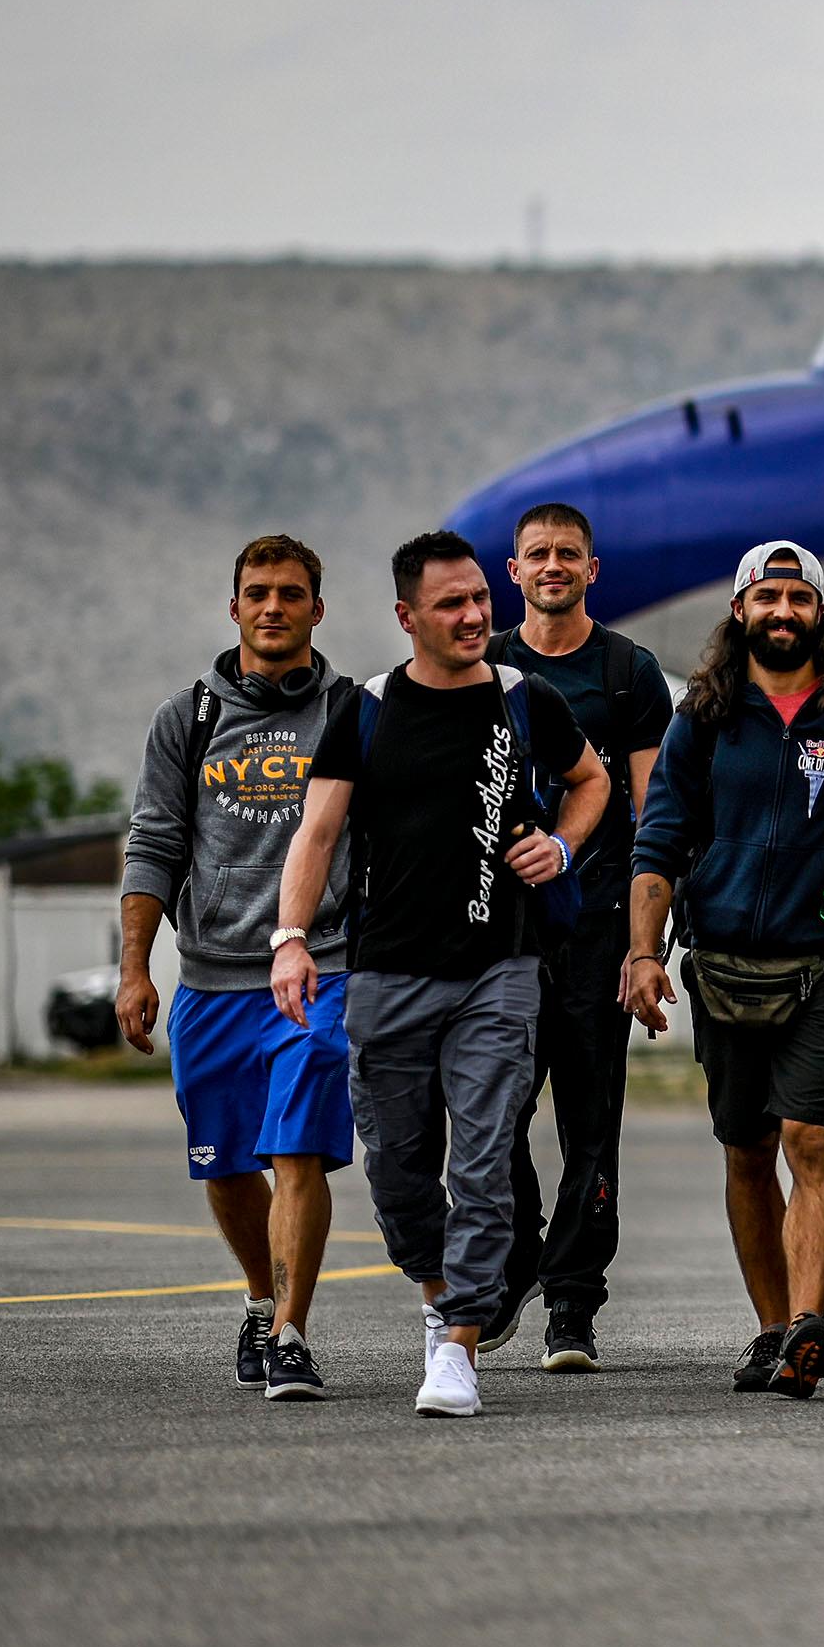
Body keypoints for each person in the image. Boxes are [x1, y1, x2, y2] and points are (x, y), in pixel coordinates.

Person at [272, 530, 608, 1419]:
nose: (472, 616)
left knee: (489, 1156)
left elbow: (592, 780)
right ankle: (434, 1294)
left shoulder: (523, 699)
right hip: (386, 973)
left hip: (500, 967)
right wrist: (291, 936)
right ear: (406, 616)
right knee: (398, 1169)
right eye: (450, 604)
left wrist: (562, 844)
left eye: (477, 599)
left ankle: (459, 1339)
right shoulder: (368, 709)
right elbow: (317, 833)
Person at [624, 541, 824, 1402]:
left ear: (819, 613)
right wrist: (643, 954)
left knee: (811, 1139)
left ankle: (804, 1328)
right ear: (741, 610)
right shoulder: (703, 717)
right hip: (720, 968)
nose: (783, 611)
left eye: (798, 597)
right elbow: (658, 843)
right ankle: (770, 1326)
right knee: (748, 1151)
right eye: (768, 597)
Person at [119, 534, 358, 1401]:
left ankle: (292, 1333)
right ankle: (261, 1301)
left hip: (321, 968)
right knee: (225, 1163)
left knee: (295, 1147)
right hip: (213, 978)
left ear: (315, 610)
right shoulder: (188, 718)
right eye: (257, 592)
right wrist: (135, 969)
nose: (273, 607)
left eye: (291, 594)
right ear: (234, 607)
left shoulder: (352, 710)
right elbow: (153, 845)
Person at [495, 501, 672, 1375]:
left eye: (569, 553)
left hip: (597, 930)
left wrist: (647, 945)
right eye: (539, 554)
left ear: (592, 571)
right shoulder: (486, 663)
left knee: (590, 1128)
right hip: (501, 937)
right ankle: (521, 1250)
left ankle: (572, 1304)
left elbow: (654, 815)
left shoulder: (628, 670)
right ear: (513, 569)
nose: (554, 564)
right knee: (495, 1112)